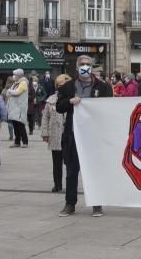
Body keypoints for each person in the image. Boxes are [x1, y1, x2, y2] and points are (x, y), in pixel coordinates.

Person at [56, 55, 112, 216]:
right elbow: (59, 106)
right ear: (77, 67)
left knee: (95, 171)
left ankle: (97, 204)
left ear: (92, 66)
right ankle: (70, 204)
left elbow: (108, 108)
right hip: (74, 135)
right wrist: (69, 102)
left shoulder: (103, 86)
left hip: (94, 136)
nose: (85, 66)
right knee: (72, 172)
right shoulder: (67, 86)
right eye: (82, 64)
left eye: (88, 64)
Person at [41, 74, 70, 192]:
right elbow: (45, 117)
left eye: (64, 84)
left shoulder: (73, 98)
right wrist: (45, 132)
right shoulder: (51, 100)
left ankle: (70, 185)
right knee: (56, 162)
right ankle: (57, 184)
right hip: (55, 134)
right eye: (59, 85)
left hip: (69, 135)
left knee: (69, 164)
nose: (61, 87)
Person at [4, 68, 30, 147]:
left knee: (20, 125)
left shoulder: (23, 83)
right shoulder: (16, 83)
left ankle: (25, 142)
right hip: (14, 107)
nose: (13, 76)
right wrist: (10, 92)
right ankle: (17, 142)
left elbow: (17, 92)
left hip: (19, 107)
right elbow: (8, 93)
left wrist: (9, 91)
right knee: (15, 125)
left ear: (18, 75)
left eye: (15, 75)